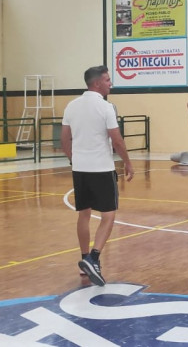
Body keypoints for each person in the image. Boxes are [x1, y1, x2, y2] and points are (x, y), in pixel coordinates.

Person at [61, 66, 134, 286]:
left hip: (80, 169)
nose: (110, 83)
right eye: (108, 80)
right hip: (102, 168)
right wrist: (128, 163)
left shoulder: (71, 106)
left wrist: (75, 159)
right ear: (97, 84)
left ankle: (84, 260)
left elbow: (65, 139)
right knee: (109, 215)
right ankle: (93, 257)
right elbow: (117, 140)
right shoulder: (106, 107)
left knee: (83, 214)